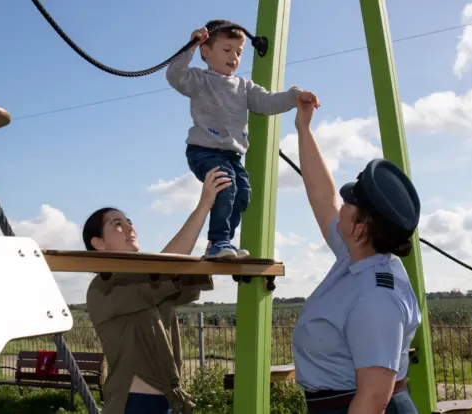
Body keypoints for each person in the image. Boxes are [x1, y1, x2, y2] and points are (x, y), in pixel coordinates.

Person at [290, 97, 422, 414]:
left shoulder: (376, 297)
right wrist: (303, 128)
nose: (341, 206)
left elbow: (374, 397)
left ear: (361, 228)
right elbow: (322, 195)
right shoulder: (358, 257)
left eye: (350, 203)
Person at [166, 19, 319, 260]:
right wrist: (190, 46)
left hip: (232, 155)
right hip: (204, 150)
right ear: (206, 52)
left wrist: (295, 96)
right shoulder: (199, 80)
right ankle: (218, 241)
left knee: (242, 193)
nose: (234, 57)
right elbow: (175, 75)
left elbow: (268, 102)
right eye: (226, 50)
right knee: (226, 186)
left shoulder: (243, 86)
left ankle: (221, 242)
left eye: (238, 52)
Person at [83, 167, 232, 414]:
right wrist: (204, 206)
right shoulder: (104, 287)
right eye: (117, 224)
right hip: (135, 404)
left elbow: (179, 278)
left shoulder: (144, 281)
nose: (129, 227)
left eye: (129, 222)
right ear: (98, 243)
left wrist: (214, 255)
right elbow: (168, 267)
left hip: (167, 403)